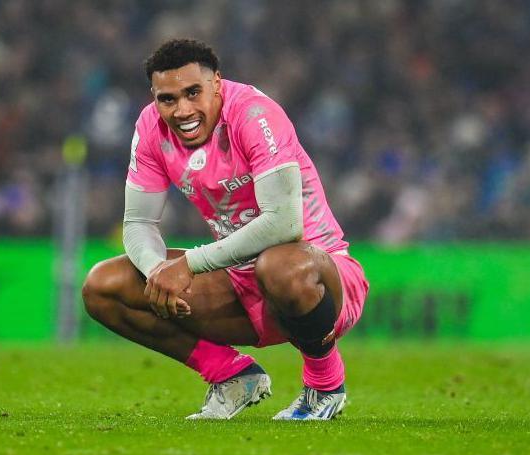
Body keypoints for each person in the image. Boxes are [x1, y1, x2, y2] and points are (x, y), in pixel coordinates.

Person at [82, 38, 369, 420]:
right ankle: (232, 376)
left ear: (217, 82)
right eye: (168, 99)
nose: (182, 109)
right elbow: (138, 222)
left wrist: (189, 264)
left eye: (192, 93)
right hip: (239, 281)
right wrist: (156, 272)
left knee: (280, 264)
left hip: (321, 277)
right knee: (104, 287)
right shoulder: (150, 127)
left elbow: (284, 223)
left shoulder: (254, 115)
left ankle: (324, 385)